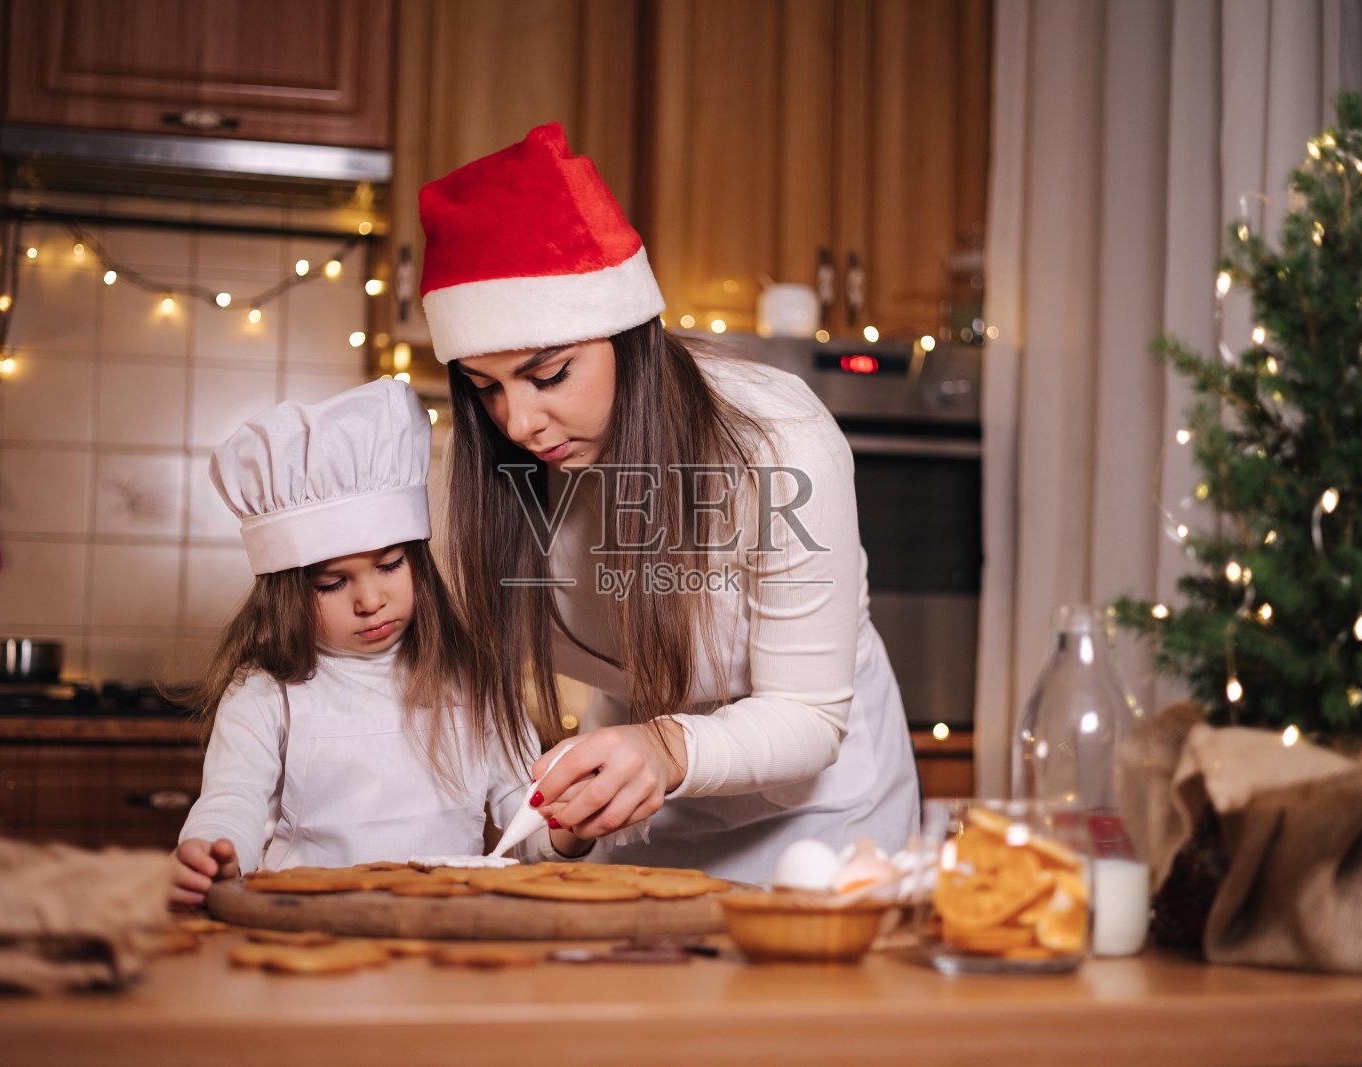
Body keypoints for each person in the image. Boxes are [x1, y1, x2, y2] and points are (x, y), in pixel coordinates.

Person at [419, 123, 921, 882]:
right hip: (647, 810)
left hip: (824, 820)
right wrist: (572, 817)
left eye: (548, 375)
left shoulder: (775, 440)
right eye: (487, 389)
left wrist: (665, 746)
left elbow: (810, 715)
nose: (518, 423)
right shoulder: (481, 475)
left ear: (631, 338)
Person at [169, 379, 582, 909]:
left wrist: (571, 831)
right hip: (308, 927)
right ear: (286, 593)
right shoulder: (266, 692)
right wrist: (212, 851)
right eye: (332, 583)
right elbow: (233, 802)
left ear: (418, 562)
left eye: (390, 566)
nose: (370, 600)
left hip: (444, 926)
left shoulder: (473, 679)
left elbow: (523, 811)